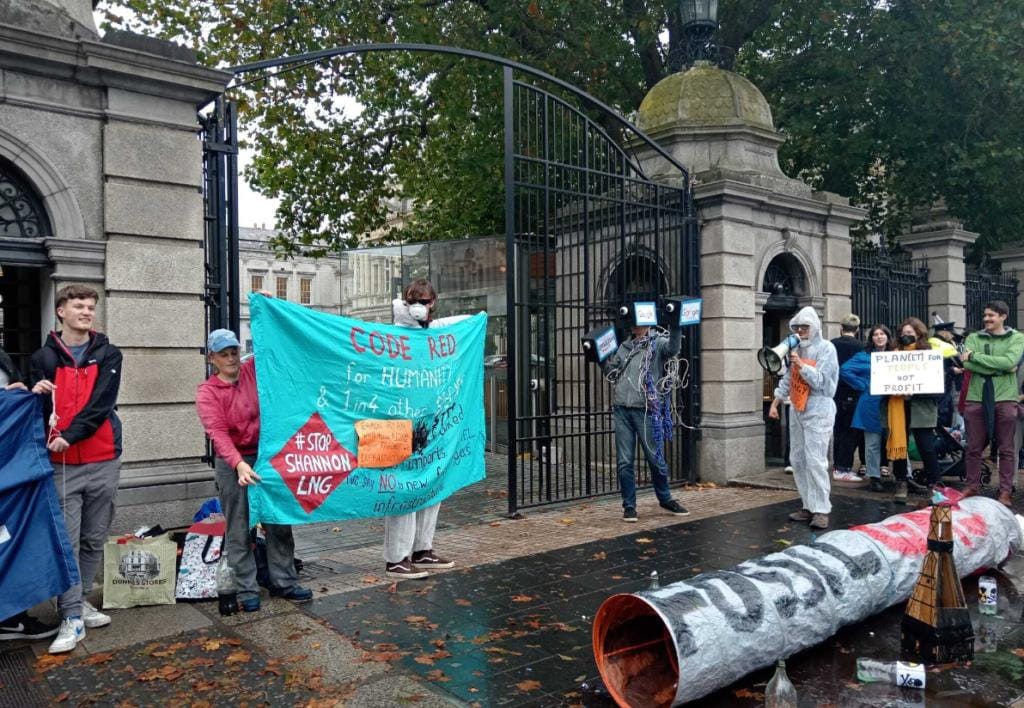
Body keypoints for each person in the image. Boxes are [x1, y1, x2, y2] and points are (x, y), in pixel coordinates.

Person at [30, 285, 122, 653]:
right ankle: (71, 617)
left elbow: (102, 403)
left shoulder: (108, 353)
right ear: (61, 312)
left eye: (90, 306)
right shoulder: (43, 357)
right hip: (61, 465)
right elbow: (37, 412)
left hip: (103, 458)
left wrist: (71, 434)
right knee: (66, 543)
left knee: (93, 539)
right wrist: (32, 393)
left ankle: (80, 600)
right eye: (78, 306)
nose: (86, 311)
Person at [195, 327, 312, 610]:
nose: (232, 358)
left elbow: (271, 343)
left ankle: (284, 581)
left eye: (234, 351)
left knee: (278, 522)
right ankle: (246, 589)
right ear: (212, 358)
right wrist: (238, 464)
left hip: (265, 458)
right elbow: (218, 432)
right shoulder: (208, 392)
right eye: (224, 354)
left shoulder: (251, 372)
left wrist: (269, 307)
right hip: (232, 462)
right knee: (239, 528)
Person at [384, 279, 465, 578]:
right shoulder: (395, 334)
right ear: (406, 303)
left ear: (433, 303)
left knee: (432, 482)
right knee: (404, 486)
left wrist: (479, 319)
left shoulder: (432, 331)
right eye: (414, 300)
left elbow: (453, 324)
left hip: (429, 423)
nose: (420, 306)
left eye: (425, 301)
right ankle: (396, 557)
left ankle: (421, 549)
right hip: (400, 422)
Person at [602, 314, 688, 523]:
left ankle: (665, 498)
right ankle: (629, 506)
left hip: (646, 409)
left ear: (647, 323)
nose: (634, 325)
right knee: (624, 462)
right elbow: (612, 372)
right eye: (632, 321)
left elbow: (674, 349)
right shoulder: (624, 347)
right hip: (622, 409)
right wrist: (601, 358)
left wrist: (675, 324)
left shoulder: (658, 344)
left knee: (654, 458)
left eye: (638, 321)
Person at [0, 346, 60, 641]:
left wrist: (26, 393)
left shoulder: (2, 354)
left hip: (9, 466)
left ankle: (12, 616)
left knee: (10, 541)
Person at [768, 306, 838, 529]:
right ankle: (808, 505)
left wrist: (802, 365)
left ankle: (821, 509)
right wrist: (776, 402)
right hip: (797, 407)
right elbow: (788, 379)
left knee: (816, 461)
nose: (801, 330)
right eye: (797, 327)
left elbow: (823, 383)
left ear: (815, 327)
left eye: (805, 327)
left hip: (819, 407)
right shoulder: (795, 348)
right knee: (798, 459)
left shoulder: (827, 349)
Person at [961, 300, 1024, 507]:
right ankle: (972, 487)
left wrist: (977, 357)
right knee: (973, 447)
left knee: (1006, 447)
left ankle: (1005, 491)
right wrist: (1000, 369)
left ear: (1003, 316)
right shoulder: (973, 337)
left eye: (992, 316)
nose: (987, 319)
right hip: (976, 396)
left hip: (1005, 397)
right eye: (986, 315)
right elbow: (967, 363)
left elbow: (1010, 362)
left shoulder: (1017, 338)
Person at [883, 317, 941, 504]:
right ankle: (901, 481)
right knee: (901, 446)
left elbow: (936, 382)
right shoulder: (892, 353)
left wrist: (915, 391)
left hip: (921, 407)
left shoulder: (927, 353)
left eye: (910, 333)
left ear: (919, 334)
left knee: (926, 446)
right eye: (903, 333)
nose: (906, 336)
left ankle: (934, 484)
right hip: (898, 405)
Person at [840, 325, 894, 493]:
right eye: (875, 335)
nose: (879, 337)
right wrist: (863, 385)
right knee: (872, 443)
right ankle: (874, 476)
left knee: (898, 439)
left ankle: (903, 476)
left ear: (887, 336)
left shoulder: (896, 355)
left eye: (882, 334)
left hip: (894, 402)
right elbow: (844, 370)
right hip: (871, 402)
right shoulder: (863, 356)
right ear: (871, 338)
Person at [831, 314, 865, 483]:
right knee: (850, 433)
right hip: (853, 393)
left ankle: (837, 465)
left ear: (840, 327)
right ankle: (843, 467)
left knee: (838, 430)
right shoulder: (861, 347)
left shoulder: (831, 345)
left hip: (834, 393)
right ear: (857, 330)